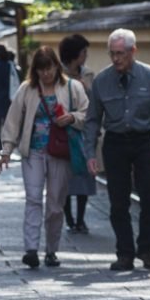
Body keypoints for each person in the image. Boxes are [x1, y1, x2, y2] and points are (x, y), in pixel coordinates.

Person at [85, 28, 150, 272]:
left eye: (121, 54)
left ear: (133, 51)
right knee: (118, 201)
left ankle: (146, 249)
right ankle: (125, 253)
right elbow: (92, 119)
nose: (116, 59)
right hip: (115, 142)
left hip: (143, 141)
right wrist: (90, 154)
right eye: (112, 54)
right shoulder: (102, 81)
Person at [0, 47, 88, 269]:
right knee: (33, 198)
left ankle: (51, 250)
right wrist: (6, 150)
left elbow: (88, 114)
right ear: (35, 71)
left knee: (55, 205)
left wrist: (72, 117)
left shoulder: (71, 88)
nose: (46, 74)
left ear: (57, 67)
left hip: (60, 152)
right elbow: (13, 120)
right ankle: (31, 249)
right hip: (33, 152)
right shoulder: (27, 90)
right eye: (41, 70)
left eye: (49, 69)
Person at [58, 34, 97, 234]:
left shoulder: (88, 74)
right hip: (63, 131)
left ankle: (81, 218)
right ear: (75, 54)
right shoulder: (59, 74)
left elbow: (94, 101)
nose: (85, 56)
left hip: (83, 129)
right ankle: (69, 219)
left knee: (83, 175)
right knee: (65, 177)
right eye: (83, 52)